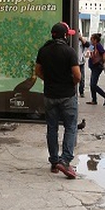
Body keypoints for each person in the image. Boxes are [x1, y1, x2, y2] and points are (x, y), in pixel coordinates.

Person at [35, 22, 82, 179]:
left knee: (52, 128)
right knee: (70, 128)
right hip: (67, 96)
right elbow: (77, 75)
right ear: (65, 35)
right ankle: (65, 160)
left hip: (49, 95)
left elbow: (38, 71)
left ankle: (54, 162)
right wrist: (71, 84)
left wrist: (49, 80)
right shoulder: (69, 52)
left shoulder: (43, 50)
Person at [85, 33, 105, 106]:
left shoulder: (98, 45)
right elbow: (89, 53)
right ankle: (94, 100)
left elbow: (104, 53)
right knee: (92, 84)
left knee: (93, 84)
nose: (91, 40)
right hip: (93, 67)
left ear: (95, 40)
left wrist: (104, 62)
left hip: (97, 67)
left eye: (92, 39)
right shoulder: (92, 45)